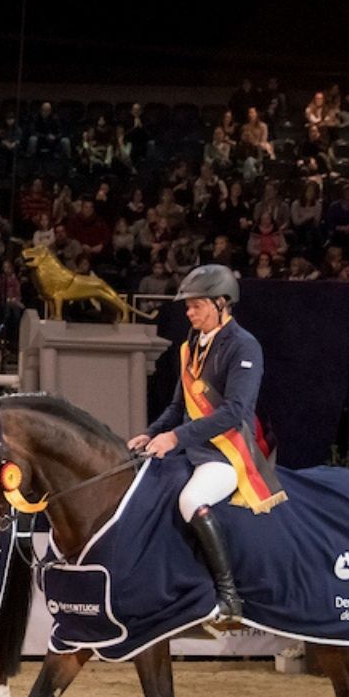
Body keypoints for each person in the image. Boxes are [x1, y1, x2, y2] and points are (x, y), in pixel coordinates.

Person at [126, 265, 284, 620]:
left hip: (226, 453)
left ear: (221, 303)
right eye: (188, 306)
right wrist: (151, 433)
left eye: (196, 305)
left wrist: (175, 437)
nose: (189, 312)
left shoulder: (244, 346)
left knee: (191, 498)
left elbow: (234, 412)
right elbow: (178, 406)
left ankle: (229, 595)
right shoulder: (191, 347)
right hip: (191, 449)